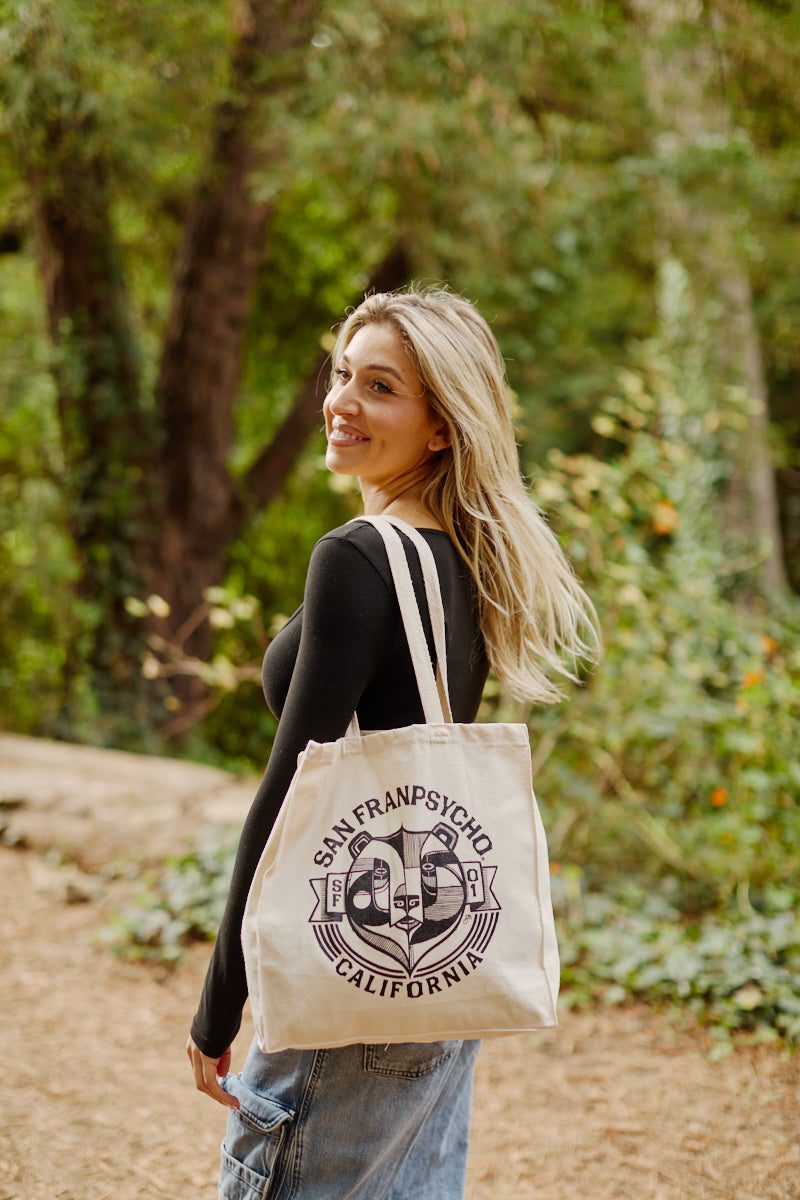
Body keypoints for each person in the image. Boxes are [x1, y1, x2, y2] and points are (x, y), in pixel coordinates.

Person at [187, 286, 598, 1199]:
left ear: (443, 426)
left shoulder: (361, 558)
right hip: (438, 972)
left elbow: (291, 796)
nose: (343, 401)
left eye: (379, 387)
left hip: (354, 960)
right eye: (343, 375)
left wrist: (220, 999)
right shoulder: (464, 558)